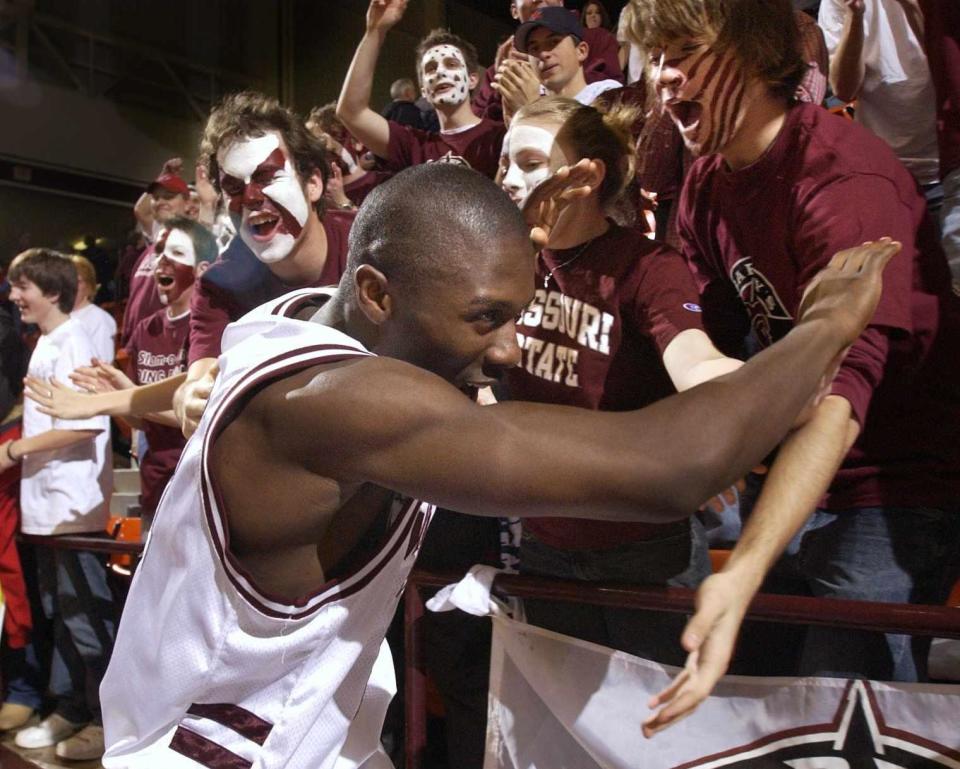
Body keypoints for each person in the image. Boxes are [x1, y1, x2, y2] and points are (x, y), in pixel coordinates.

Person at [99, 161, 897, 767]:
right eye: (487, 316)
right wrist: (827, 325)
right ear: (376, 293)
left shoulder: (289, 320)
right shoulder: (341, 401)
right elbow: (675, 466)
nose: (510, 347)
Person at [630, 0, 960, 735]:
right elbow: (705, 343)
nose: (662, 76)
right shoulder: (707, 184)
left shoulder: (842, 179)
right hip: (788, 480)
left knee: (833, 732)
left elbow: (842, 400)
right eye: (654, 57)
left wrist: (743, 569)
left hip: (887, 489)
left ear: (753, 53)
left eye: (682, 50)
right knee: (751, 724)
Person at [501, 94, 742, 664]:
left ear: (588, 178)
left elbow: (694, 359)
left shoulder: (646, 266)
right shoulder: (503, 264)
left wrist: (741, 398)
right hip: (544, 540)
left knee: (655, 730)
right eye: (505, 163)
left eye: (531, 163)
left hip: (643, 545)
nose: (510, 180)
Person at [176, 92, 353, 437]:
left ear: (313, 183)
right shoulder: (219, 285)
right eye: (233, 187)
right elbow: (199, 378)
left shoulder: (372, 245)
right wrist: (190, 398)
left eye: (267, 176)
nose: (251, 198)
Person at [1, 249, 115, 761]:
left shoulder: (72, 340)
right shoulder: (49, 340)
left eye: (21, 286)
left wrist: (14, 450)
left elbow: (88, 421)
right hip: (47, 507)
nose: (12, 296)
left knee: (85, 615)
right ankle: (69, 708)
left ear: (51, 291)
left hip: (71, 507)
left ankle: (105, 718)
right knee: (59, 611)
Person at [32, 220, 217, 521]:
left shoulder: (209, 329)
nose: (162, 261)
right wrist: (118, 397)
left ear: (202, 268)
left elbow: (197, 416)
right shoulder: (147, 328)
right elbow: (141, 422)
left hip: (196, 483)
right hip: (155, 482)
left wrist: (123, 396)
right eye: (158, 252)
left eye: (176, 252)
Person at [337, 0, 506, 179]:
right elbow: (351, 112)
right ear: (424, 90)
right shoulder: (414, 146)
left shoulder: (501, 136)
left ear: (473, 80)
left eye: (451, 64)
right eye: (431, 68)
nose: (440, 72)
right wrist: (375, 31)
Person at [819, 0, 940, 204]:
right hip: (885, 171)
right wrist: (854, 15)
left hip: (947, 162)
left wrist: (910, 6)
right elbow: (844, 90)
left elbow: (948, 67)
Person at [473, 0, 624, 122]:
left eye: (553, 42)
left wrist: (535, 104)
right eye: (534, 48)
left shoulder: (607, 91)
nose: (543, 53)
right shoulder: (499, 70)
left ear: (581, 50)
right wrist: (504, 90)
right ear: (513, 9)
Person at [121, 164, 190, 347]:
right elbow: (140, 210)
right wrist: (163, 175)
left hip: (163, 341)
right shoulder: (157, 239)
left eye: (168, 196)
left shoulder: (190, 240)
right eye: (156, 197)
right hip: (136, 337)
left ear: (187, 203)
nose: (160, 201)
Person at [70, 254, 117, 363]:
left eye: (77, 281)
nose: (71, 286)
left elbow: (103, 364)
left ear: (89, 285)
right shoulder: (60, 315)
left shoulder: (100, 319)